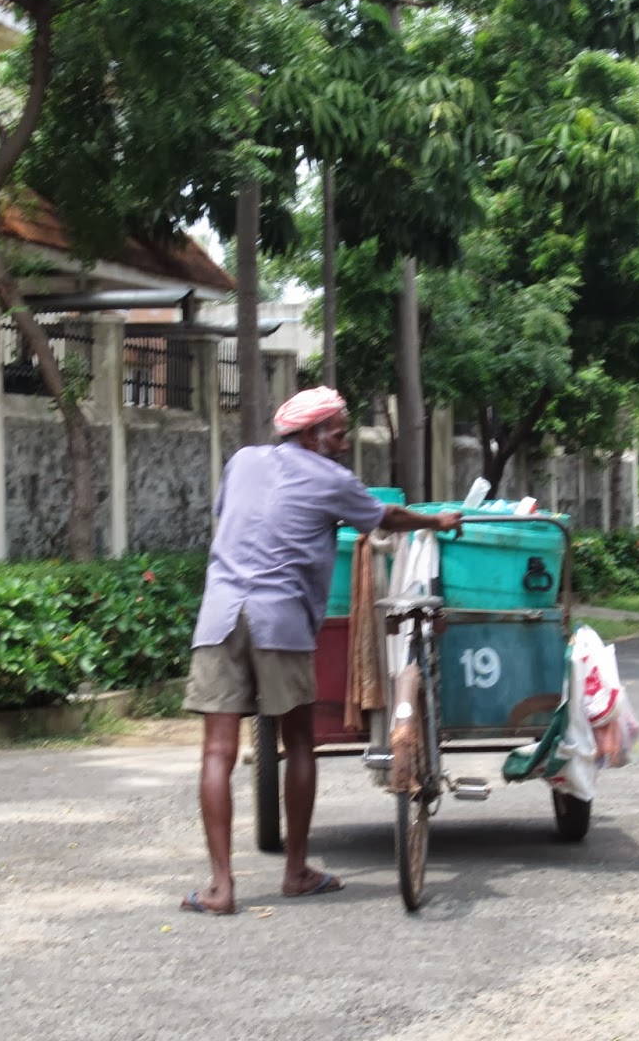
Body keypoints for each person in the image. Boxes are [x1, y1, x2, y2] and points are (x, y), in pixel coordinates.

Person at [179, 387, 463, 915]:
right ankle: (296, 872)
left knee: (216, 752)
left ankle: (220, 888)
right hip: (280, 619)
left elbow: (235, 515)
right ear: (309, 434)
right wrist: (438, 520)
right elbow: (387, 518)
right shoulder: (333, 479)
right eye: (337, 429)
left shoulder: (242, 461)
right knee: (300, 744)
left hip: (219, 614)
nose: (345, 437)